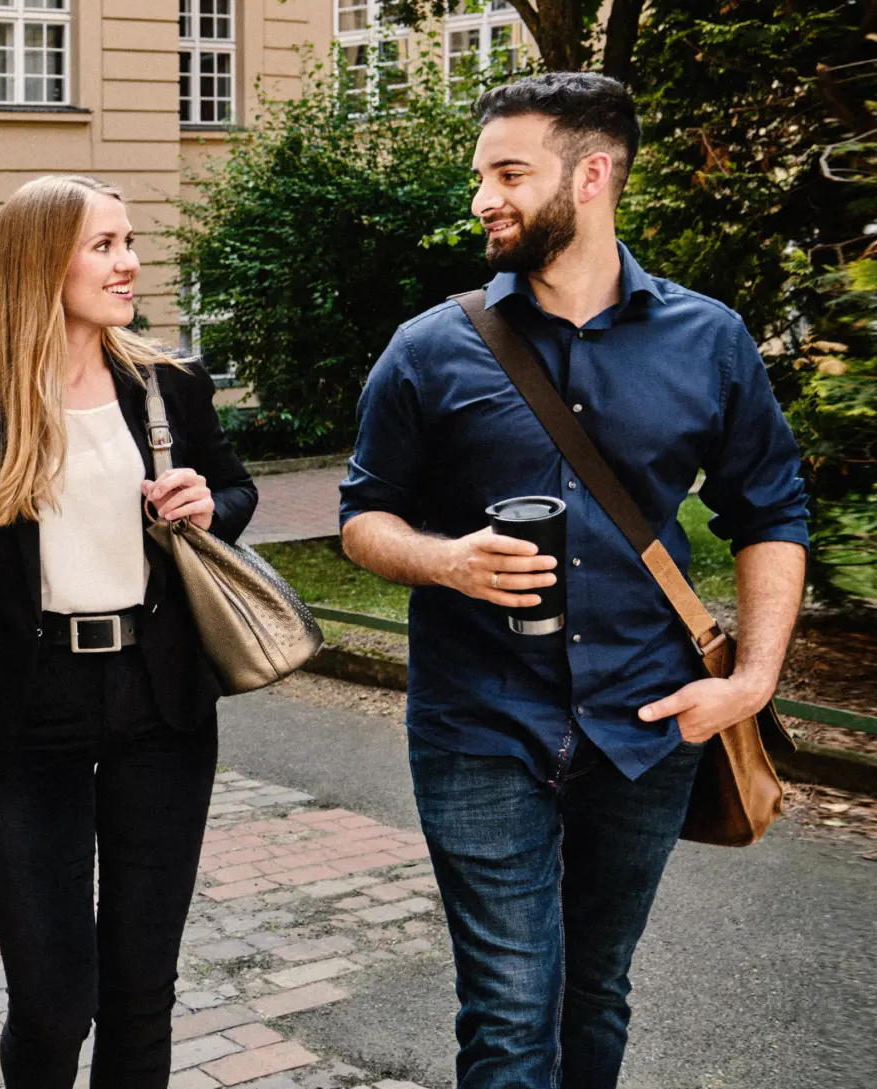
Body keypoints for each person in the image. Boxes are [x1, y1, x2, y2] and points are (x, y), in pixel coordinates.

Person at [339, 74, 809, 1089]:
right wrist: (443, 560)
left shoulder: (709, 339)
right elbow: (361, 518)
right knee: (510, 1010)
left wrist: (753, 680)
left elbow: (768, 513)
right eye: (479, 175)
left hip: (650, 721)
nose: (481, 199)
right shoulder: (429, 347)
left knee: (595, 988)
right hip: (475, 721)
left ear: (592, 175)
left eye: (509, 173)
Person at [0, 174, 257, 1089]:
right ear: (42, 261)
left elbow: (238, 489)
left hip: (162, 704)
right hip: (31, 718)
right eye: (104, 245)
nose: (129, 261)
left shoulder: (169, 385)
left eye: (129, 241)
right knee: (54, 1001)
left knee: (143, 989)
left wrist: (209, 503)